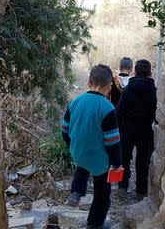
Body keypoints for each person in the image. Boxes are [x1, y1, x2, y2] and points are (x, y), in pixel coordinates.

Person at [61, 64, 122, 229]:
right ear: (110, 87)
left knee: (83, 167)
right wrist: (117, 163)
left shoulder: (75, 102)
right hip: (100, 159)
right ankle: (94, 224)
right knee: (103, 194)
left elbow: (64, 129)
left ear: (89, 83)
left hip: (79, 153)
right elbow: (112, 141)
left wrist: (72, 146)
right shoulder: (108, 108)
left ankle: (76, 192)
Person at [116, 59, 157, 199]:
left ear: (134, 72)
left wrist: (119, 128)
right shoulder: (154, 90)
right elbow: (156, 112)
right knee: (143, 160)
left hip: (127, 129)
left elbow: (119, 111)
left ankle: (122, 187)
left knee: (124, 158)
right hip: (145, 130)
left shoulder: (128, 89)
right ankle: (141, 191)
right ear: (150, 73)